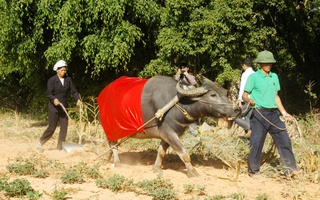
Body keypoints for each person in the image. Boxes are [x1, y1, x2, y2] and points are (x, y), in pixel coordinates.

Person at [242, 50, 299, 178]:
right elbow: (244, 95)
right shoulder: (254, 77)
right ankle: (254, 170)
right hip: (259, 113)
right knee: (256, 142)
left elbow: (276, 97)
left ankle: (291, 169)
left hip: (274, 114)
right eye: (266, 63)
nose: (268, 65)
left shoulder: (274, 77)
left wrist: (284, 112)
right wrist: (249, 100)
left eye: (270, 63)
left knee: (284, 139)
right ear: (260, 63)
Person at [38, 60, 81, 150]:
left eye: (65, 70)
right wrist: (54, 99)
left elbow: (74, 91)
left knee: (64, 128)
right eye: (62, 70)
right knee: (52, 127)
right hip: (54, 108)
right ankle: (40, 142)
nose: (64, 72)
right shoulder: (52, 80)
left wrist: (78, 99)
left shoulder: (68, 80)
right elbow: (49, 93)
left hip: (63, 108)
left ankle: (60, 147)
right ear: (57, 70)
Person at [234, 57, 255, 138]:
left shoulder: (245, 74)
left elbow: (242, 88)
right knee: (248, 117)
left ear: (244, 65)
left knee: (234, 116)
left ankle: (250, 129)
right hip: (253, 101)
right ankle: (249, 139)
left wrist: (239, 100)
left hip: (246, 100)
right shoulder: (255, 74)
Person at [175, 63, 197, 136]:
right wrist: (178, 74)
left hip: (189, 99)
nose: (183, 69)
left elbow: (194, 83)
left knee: (191, 116)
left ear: (187, 68)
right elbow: (174, 82)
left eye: (184, 67)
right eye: (182, 67)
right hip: (180, 99)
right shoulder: (179, 77)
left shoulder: (191, 76)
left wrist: (186, 74)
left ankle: (193, 133)